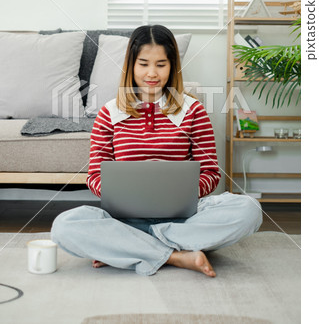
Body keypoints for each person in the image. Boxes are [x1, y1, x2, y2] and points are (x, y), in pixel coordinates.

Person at [51, 24, 262, 277]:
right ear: (131, 65)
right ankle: (176, 255)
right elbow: (95, 176)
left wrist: (185, 194)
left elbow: (211, 173)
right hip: (125, 220)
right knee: (64, 226)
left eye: (161, 64)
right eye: (143, 64)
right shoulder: (109, 113)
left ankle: (131, 248)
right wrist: (120, 195)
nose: (152, 73)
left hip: (183, 219)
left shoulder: (193, 111)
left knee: (250, 209)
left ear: (172, 66)